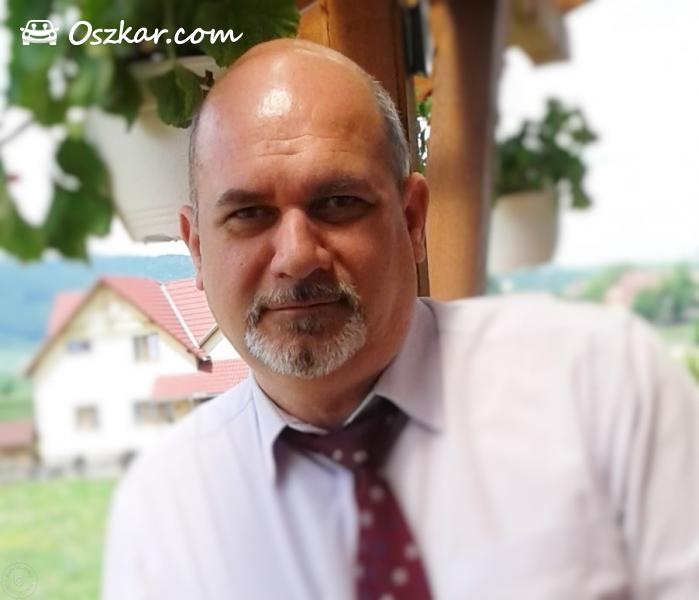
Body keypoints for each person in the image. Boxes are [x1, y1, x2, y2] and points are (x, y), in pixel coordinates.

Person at [102, 39, 699, 599]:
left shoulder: (602, 387)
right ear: (196, 248)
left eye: (338, 203)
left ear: (412, 220)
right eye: (250, 214)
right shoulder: (163, 511)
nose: (296, 257)